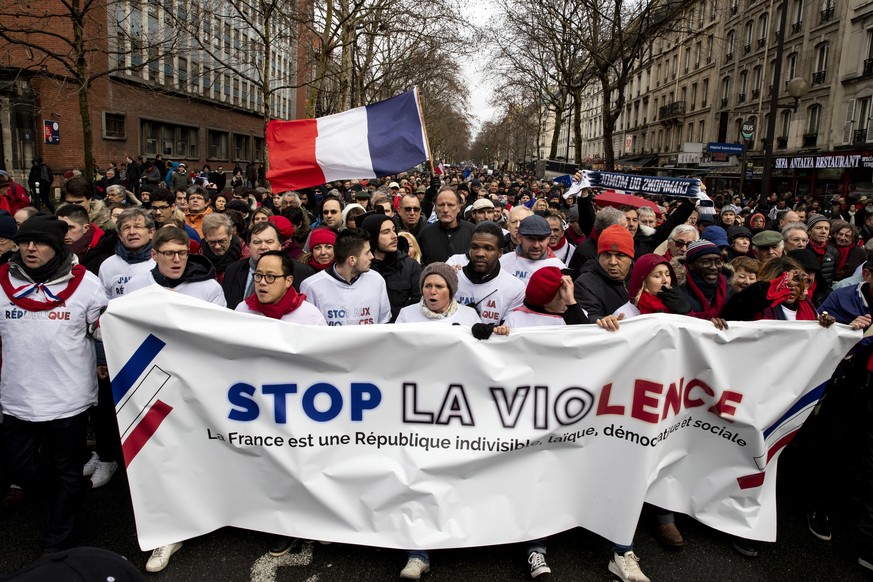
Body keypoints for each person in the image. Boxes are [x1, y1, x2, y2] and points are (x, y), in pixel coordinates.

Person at [0, 215, 107, 552]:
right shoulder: (2, 281)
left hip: (68, 399)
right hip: (17, 397)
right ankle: (65, 490)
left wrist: (105, 359)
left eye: (40, 242)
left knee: (67, 469)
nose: (31, 248)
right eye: (24, 241)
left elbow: (104, 331)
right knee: (19, 466)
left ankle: (56, 540)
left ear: (58, 245)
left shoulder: (86, 284)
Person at [300, 228, 391, 325]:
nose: (372, 256)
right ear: (352, 260)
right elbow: (308, 329)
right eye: (367, 252)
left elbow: (384, 323)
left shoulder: (376, 280)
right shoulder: (311, 286)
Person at [124, 226, 226, 306]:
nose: (177, 259)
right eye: (169, 253)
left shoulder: (210, 288)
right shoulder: (135, 286)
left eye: (182, 253)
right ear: (154, 255)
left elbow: (217, 328)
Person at [222, 222, 314, 310]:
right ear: (249, 246)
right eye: (257, 242)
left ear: (280, 246)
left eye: (269, 242)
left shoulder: (302, 272)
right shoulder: (232, 270)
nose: (263, 247)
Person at [452, 221, 525, 324]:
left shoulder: (515, 287)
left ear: (500, 253)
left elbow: (510, 331)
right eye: (474, 247)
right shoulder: (452, 279)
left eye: (488, 248)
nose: (480, 253)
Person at [234, 251, 326, 324]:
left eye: (270, 277)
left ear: (288, 281)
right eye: (258, 275)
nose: (262, 282)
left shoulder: (310, 316)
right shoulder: (242, 310)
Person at [361, 214, 422, 322]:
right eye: (386, 232)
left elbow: (418, 304)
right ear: (373, 236)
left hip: (402, 331)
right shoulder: (361, 268)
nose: (394, 236)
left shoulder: (410, 266)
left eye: (394, 230)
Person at [574, 225, 635, 322]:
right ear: (598, 256)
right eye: (607, 255)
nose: (613, 262)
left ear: (631, 258)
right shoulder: (584, 285)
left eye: (620, 255)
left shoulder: (642, 277)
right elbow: (588, 317)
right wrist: (602, 320)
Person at [395, 262, 481, 324]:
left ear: (451, 291)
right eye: (428, 286)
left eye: (439, 286)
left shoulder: (469, 316)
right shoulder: (406, 315)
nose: (432, 292)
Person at [677, 239, 731, 326]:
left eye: (718, 262)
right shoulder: (678, 292)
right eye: (706, 262)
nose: (714, 267)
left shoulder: (730, 289)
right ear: (690, 265)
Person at [500, 215, 566, 282]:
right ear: (519, 238)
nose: (536, 245)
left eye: (541, 239)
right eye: (531, 239)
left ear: (548, 239)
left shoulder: (558, 268)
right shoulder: (503, 262)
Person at [418, 187, 475, 264]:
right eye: (441, 205)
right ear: (435, 208)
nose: (445, 210)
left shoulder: (473, 232)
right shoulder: (425, 234)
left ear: (458, 207)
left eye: (450, 205)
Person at [56, 203, 117, 275]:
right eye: (60, 227)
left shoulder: (106, 250)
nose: (64, 232)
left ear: (86, 228)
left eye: (70, 227)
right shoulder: (50, 249)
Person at [200, 213, 249, 283]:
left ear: (230, 235)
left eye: (222, 241)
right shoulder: (199, 258)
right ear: (205, 238)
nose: (217, 246)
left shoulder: (245, 257)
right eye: (212, 242)